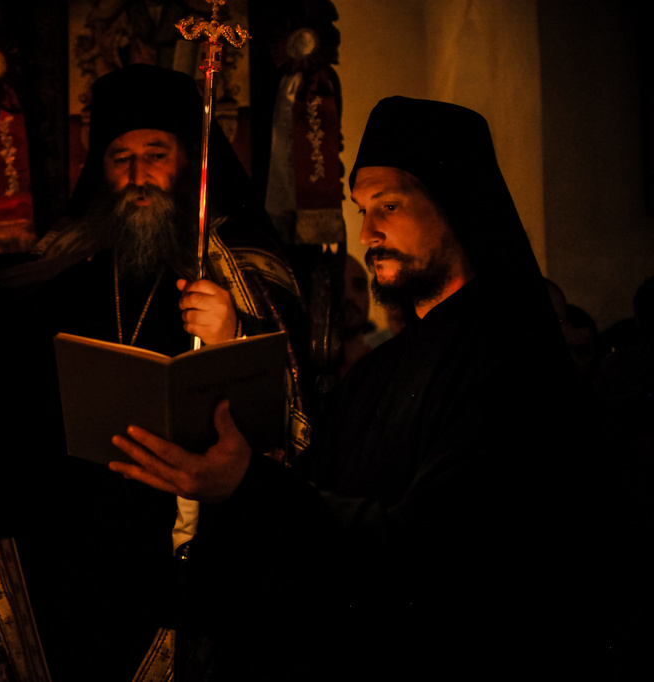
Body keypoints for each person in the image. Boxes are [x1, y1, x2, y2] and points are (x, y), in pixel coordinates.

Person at [111, 96, 607, 678]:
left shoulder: (509, 362)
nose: (367, 232)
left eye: (389, 206)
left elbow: (434, 551)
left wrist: (249, 483)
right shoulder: (378, 371)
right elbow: (315, 505)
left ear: (454, 205)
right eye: (362, 209)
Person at [0, 64, 309, 681]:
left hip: (184, 534)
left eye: (155, 155)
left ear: (188, 161)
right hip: (73, 542)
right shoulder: (75, 256)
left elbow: (289, 389)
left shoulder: (238, 264)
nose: (138, 176)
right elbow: (17, 327)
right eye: (121, 159)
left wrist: (232, 333)